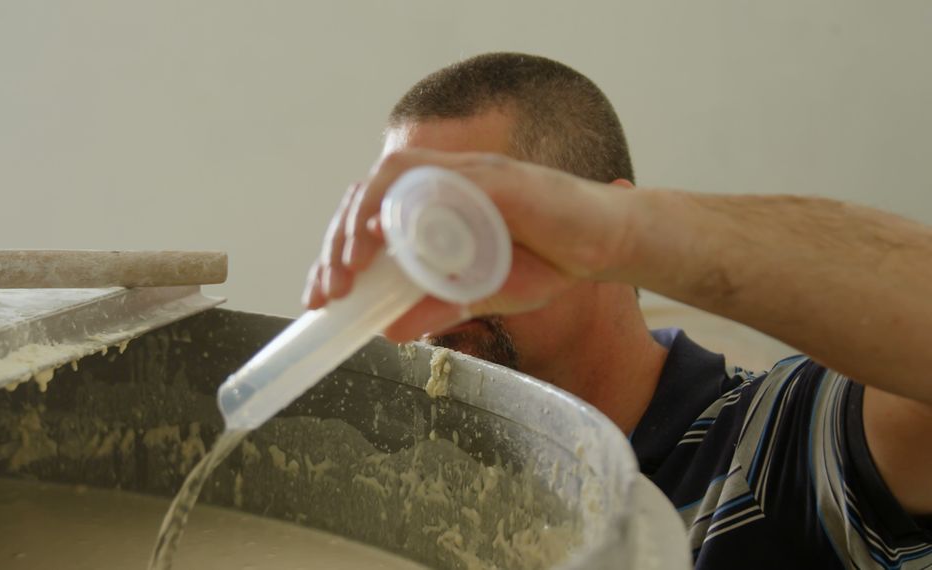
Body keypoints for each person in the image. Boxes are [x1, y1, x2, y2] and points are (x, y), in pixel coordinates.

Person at [302, 53, 932, 568]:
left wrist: (627, 235)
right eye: (409, 242)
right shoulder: (418, 496)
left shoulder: (771, 446)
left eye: (465, 230)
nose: (432, 285)